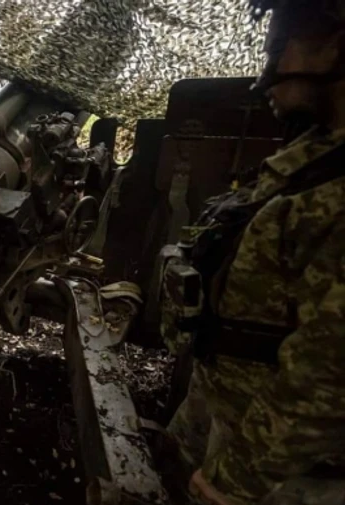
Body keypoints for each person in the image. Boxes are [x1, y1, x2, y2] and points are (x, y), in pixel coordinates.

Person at [158, 1, 345, 504]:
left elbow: (327, 382)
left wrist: (240, 482)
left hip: (279, 466)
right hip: (228, 410)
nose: (268, 73)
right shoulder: (317, 155)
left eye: (283, 43)